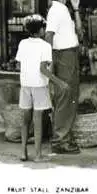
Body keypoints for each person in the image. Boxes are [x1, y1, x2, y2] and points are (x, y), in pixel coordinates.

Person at [15, 14, 69, 162]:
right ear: (40, 30)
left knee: (25, 120)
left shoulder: (22, 43)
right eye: (43, 27)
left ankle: (23, 152)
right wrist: (59, 82)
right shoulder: (45, 46)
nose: (45, 30)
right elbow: (43, 70)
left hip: (25, 84)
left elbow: (19, 64)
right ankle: (37, 155)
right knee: (37, 121)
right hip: (39, 85)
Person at [45, 0, 83, 154]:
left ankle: (64, 137)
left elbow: (79, 32)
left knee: (70, 97)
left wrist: (76, 9)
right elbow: (48, 36)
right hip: (63, 56)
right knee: (64, 97)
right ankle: (60, 140)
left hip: (70, 55)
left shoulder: (64, 9)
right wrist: (50, 62)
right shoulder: (55, 11)